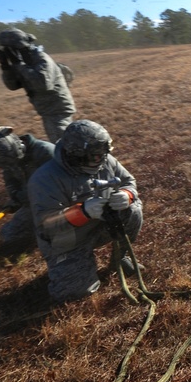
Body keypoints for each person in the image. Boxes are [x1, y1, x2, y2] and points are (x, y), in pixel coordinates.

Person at [28, 120, 143, 303]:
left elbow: (129, 181)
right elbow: (46, 226)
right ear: (74, 154)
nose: (99, 160)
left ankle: (119, 259)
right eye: (93, 157)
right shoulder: (44, 179)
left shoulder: (104, 158)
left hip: (100, 226)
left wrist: (126, 194)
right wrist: (82, 213)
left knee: (134, 209)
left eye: (102, 155)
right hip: (69, 241)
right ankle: (74, 267)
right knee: (74, 294)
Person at [0, 27, 76, 142]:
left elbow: (42, 84)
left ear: (21, 46)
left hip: (57, 110)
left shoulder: (41, 59)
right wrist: (6, 68)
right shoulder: (24, 62)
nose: (10, 53)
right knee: (66, 145)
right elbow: (13, 86)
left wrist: (19, 65)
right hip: (48, 110)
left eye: (11, 49)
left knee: (65, 147)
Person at [0, 126, 55, 248]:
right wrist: (15, 195)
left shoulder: (46, 152)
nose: (9, 166)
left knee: (53, 234)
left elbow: (59, 185)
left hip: (58, 202)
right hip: (35, 203)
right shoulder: (10, 159)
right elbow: (10, 178)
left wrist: (27, 196)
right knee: (10, 236)